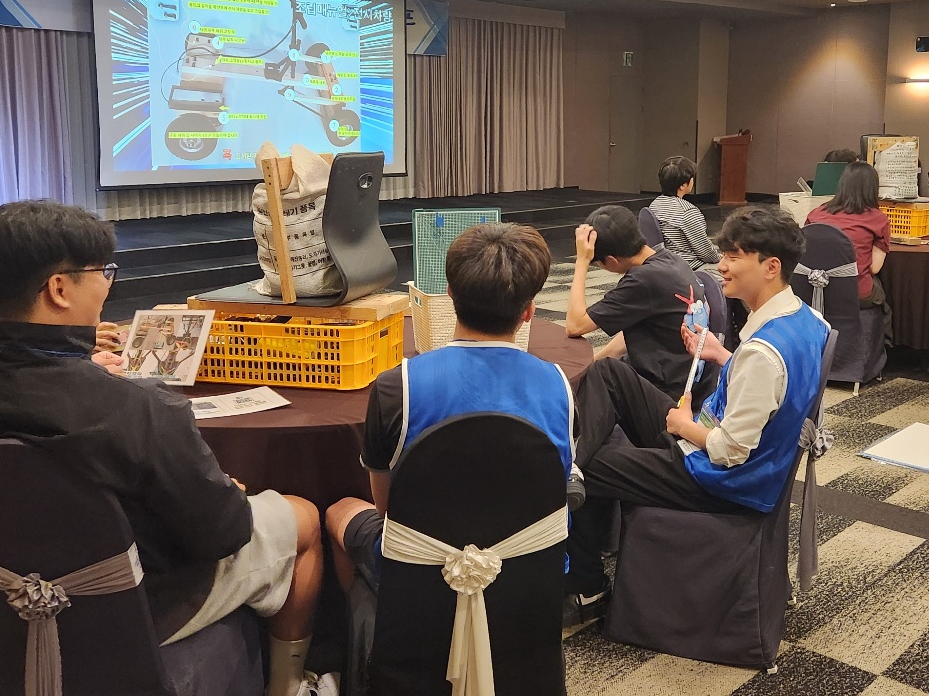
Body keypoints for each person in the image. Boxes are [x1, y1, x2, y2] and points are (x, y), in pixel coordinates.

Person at [0, 201, 336, 696]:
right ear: (59, 289)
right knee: (302, 517)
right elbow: (223, 533)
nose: (107, 285)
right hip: (146, 607)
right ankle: (289, 691)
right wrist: (228, 494)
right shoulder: (142, 409)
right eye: (102, 272)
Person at [564, 207, 827, 615]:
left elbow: (731, 450)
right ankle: (574, 464)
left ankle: (588, 588)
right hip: (722, 442)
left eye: (734, 257)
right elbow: (776, 391)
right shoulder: (808, 318)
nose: (721, 266)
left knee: (594, 466)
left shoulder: (762, 354)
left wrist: (684, 426)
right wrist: (723, 355)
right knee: (610, 374)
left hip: (719, 478)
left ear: (771, 267)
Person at [324, 222, 581, 629]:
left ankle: (370, 633)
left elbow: (387, 508)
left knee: (339, 510)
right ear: (529, 310)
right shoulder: (561, 388)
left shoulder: (396, 387)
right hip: (529, 571)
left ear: (448, 295)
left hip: (421, 572)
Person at [565, 205, 704, 399]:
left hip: (667, 391)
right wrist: (591, 363)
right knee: (596, 371)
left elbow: (575, 325)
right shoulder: (670, 260)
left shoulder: (643, 280)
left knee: (583, 392)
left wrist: (582, 261)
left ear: (611, 260)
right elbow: (630, 329)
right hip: (689, 376)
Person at [804, 161, 891, 309]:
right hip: (854, 293)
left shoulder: (816, 213)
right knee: (881, 295)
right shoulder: (878, 219)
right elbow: (874, 268)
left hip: (813, 289)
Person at [648, 155, 719, 269]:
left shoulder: (654, 205)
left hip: (662, 263)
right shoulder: (687, 211)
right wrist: (719, 258)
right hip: (687, 266)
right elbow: (706, 253)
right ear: (682, 185)